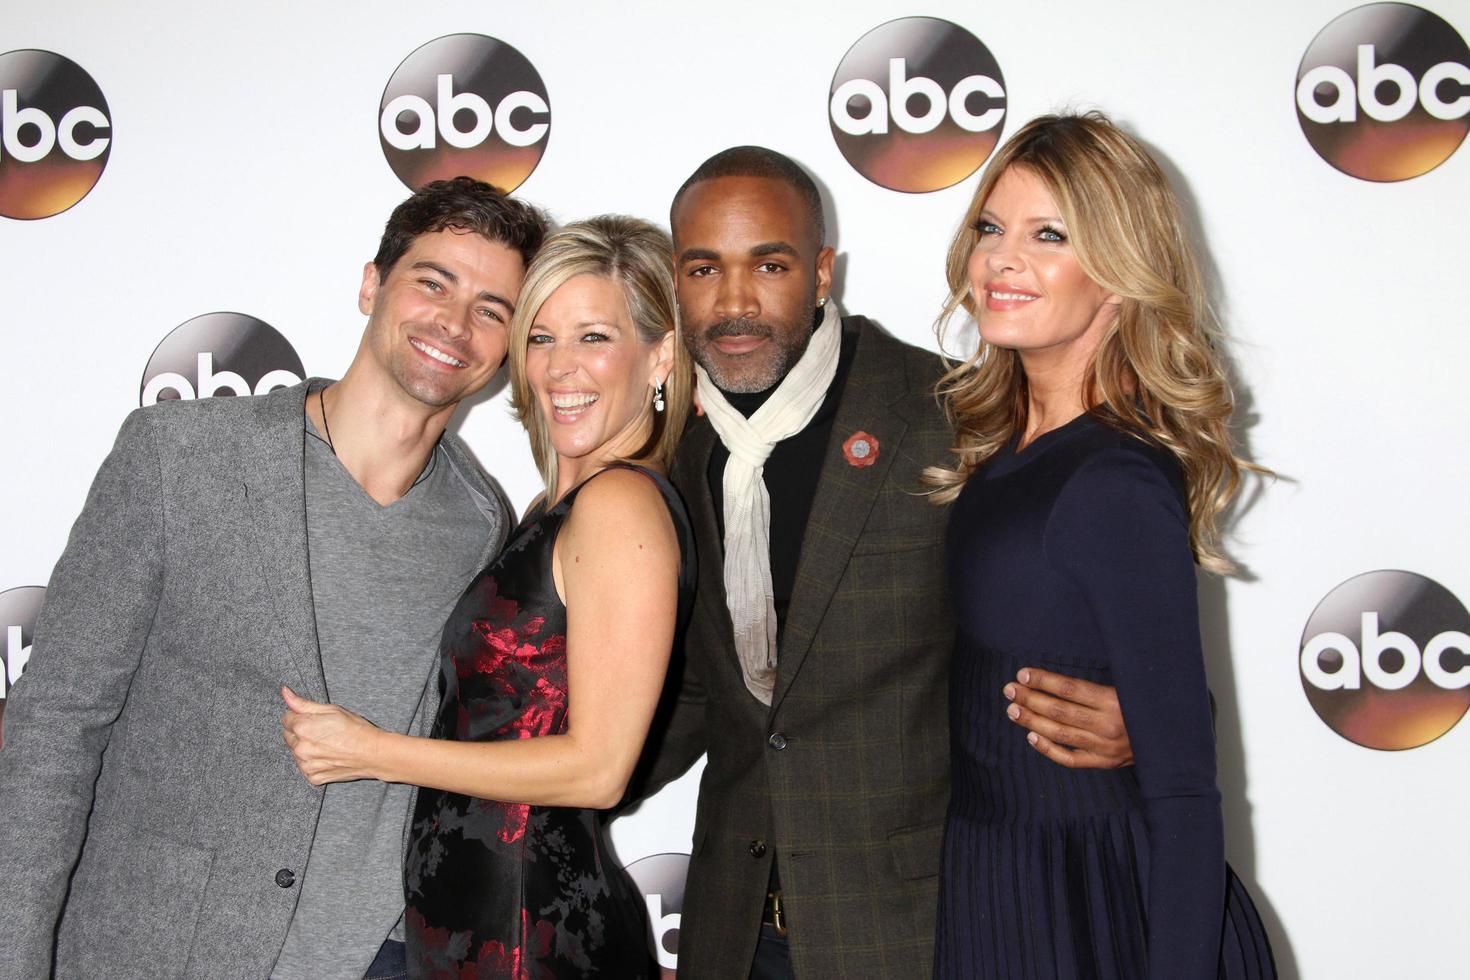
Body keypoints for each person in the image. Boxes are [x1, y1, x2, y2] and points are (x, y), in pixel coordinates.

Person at [0, 177, 547, 980]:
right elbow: (57, 724)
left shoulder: (478, 522)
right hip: (164, 950)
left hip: (380, 959)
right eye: (433, 282)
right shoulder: (180, 456)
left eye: (493, 308)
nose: (455, 324)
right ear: (372, 285)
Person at [629, 146, 1138, 980]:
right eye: (702, 268)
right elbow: (699, 688)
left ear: (822, 271)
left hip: (915, 929)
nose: (734, 302)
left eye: (770, 264)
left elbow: (1058, 625)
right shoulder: (670, 441)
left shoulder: (952, 417)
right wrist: (572, 781)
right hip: (730, 932)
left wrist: (1141, 725)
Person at [280, 215, 696, 979]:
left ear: (661, 354)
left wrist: (372, 752)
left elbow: (599, 768)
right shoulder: (547, 510)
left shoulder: (620, 508)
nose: (560, 369)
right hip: (478, 921)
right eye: (541, 338)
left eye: (594, 338)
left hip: (528, 933)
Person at [928, 112, 1274, 978]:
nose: (1002, 260)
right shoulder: (1004, 453)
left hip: (1094, 911)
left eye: (1049, 235)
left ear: (1119, 274)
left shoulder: (1112, 481)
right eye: (991, 228)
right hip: (998, 891)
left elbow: (1186, 792)